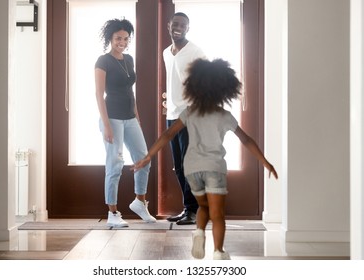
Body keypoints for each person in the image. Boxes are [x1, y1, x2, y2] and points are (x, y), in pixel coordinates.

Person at [132, 58, 278, 260]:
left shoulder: (189, 112)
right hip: (214, 168)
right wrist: (265, 162)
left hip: (192, 168)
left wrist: (148, 156)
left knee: (203, 206)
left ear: (195, 88)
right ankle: (218, 252)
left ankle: (199, 233)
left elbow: (167, 135)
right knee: (217, 213)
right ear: (223, 90)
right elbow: (246, 140)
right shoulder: (224, 115)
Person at [95, 18, 156, 227]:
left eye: (125, 38)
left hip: (130, 118)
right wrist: (107, 125)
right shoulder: (103, 61)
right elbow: (98, 94)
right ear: (110, 39)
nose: (122, 41)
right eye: (118, 38)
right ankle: (112, 212)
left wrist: (136, 116)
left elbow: (130, 91)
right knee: (115, 164)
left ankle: (140, 202)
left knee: (144, 159)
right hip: (112, 117)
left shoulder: (128, 59)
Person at [163, 12, 205, 225]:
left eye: (183, 25)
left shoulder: (195, 52)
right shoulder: (166, 53)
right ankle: (189, 208)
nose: (178, 27)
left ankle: (193, 210)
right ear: (168, 25)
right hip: (172, 114)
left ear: (188, 28)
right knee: (178, 166)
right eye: (175, 24)